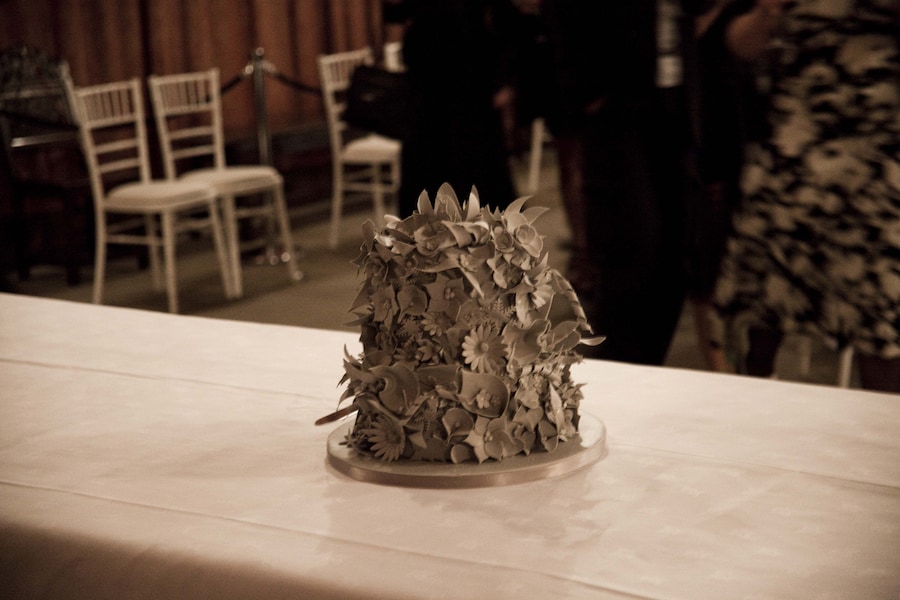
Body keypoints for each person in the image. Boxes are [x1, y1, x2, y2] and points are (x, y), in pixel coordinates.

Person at [710, 0, 900, 392]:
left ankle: (880, 441)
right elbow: (740, 44)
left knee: (878, 322)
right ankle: (749, 413)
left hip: (878, 161)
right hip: (795, 152)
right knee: (761, 310)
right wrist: (766, 13)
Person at [543, 1, 713, 365]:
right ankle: (621, 372)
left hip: (676, 101)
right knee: (632, 247)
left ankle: (650, 370)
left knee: (675, 249)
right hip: (616, 103)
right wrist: (587, 96)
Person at [397, 0, 519, 217]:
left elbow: (507, 31)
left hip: (468, 105)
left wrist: (506, 82)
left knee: (473, 195)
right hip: (439, 109)